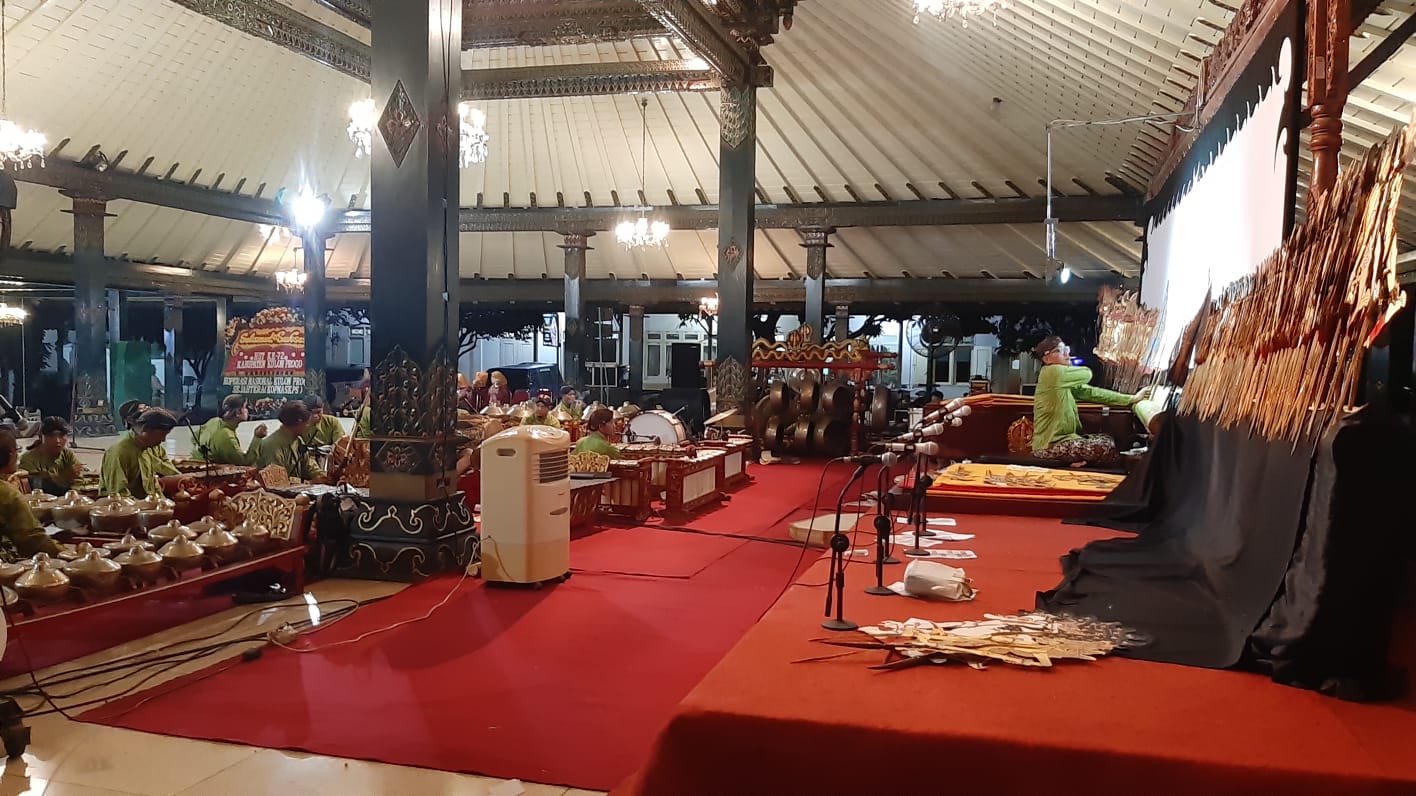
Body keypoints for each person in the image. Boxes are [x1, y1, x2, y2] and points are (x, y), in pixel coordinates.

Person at [1030, 336, 1151, 465]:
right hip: (1049, 446)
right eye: (1060, 351)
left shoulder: (1062, 380)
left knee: (1106, 439)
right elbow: (1087, 373)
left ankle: (1079, 462)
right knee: (1105, 448)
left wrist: (1131, 399)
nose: (1066, 354)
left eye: (1066, 349)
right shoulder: (1052, 372)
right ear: (1046, 358)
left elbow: (1092, 393)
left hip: (1063, 441)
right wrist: (1070, 364)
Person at [0, 429, 61, 560]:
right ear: (10, 455)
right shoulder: (7, 493)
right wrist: (68, 554)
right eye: (17, 451)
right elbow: (33, 541)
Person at [100, 408, 183, 498]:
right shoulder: (119, 453)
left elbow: (153, 487)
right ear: (146, 430)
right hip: (121, 505)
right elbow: (118, 496)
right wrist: (146, 504)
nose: (163, 440)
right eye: (162, 434)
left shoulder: (147, 450)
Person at [256, 401, 327, 482]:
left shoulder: (298, 440)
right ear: (299, 422)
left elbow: (308, 465)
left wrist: (322, 476)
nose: (308, 426)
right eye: (307, 423)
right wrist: (309, 483)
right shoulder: (271, 446)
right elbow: (277, 480)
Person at [193, 395, 267, 465]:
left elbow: (194, 438)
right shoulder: (227, 436)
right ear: (237, 412)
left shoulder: (214, 421)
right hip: (211, 470)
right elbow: (245, 462)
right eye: (245, 407)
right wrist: (257, 437)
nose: (247, 410)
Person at [19, 417, 83, 496]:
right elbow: (35, 487)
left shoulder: (67, 454)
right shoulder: (28, 459)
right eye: (51, 436)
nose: (57, 441)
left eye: (61, 435)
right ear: (41, 437)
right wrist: (64, 477)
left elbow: (80, 480)